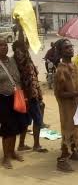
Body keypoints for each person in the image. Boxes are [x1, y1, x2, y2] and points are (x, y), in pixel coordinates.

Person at [54, 39, 78, 172]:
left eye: (70, 47)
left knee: (76, 129)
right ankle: (62, 160)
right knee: (68, 131)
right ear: (61, 52)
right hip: (67, 107)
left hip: (76, 103)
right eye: (66, 48)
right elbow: (60, 93)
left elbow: (76, 85)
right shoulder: (61, 70)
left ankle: (73, 152)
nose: (70, 49)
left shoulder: (73, 65)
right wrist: (76, 93)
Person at [12, 25, 48, 153]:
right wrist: (21, 29)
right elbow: (21, 45)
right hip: (29, 95)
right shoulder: (21, 59)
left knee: (27, 121)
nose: (25, 49)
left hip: (31, 94)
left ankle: (22, 144)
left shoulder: (25, 61)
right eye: (22, 48)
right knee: (36, 120)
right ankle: (36, 145)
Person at [0, 37, 27, 169]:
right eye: (1, 45)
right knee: (7, 128)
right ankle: (6, 157)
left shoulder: (11, 60)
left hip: (16, 97)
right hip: (3, 100)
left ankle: (12, 152)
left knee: (17, 125)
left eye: (5, 45)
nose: (4, 47)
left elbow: (18, 77)